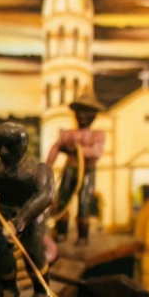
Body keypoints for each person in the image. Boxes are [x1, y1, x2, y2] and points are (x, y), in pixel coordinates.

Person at [0, 122, 55, 297]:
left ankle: (41, 289)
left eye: (9, 147)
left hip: (31, 213)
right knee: (1, 250)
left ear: (22, 146)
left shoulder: (38, 170)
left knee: (32, 250)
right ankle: (9, 286)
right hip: (4, 211)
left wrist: (21, 219)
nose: (3, 152)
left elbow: (45, 196)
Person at [46, 88, 106, 245]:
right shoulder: (68, 133)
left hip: (87, 172)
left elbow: (96, 152)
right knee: (63, 200)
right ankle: (61, 232)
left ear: (94, 114)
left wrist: (79, 149)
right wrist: (47, 167)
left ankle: (83, 236)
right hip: (70, 170)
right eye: (80, 111)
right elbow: (56, 147)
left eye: (88, 112)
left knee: (84, 202)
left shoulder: (97, 135)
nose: (83, 116)